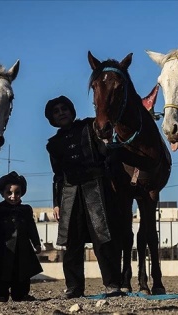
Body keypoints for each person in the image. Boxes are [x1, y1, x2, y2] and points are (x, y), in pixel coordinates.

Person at [45, 95, 121, 298]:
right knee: (72, 242)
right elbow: (57, 175)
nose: (61, 113)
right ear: (52, 118)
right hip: (69, 194)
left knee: (103, 238)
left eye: (64, 109)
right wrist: (56, 203)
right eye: (56, 111)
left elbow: (107, 153)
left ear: (71, 111)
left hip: (95, 188)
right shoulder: (53, 144)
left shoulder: (89, 126)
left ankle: (113, 284)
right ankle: (74, 288)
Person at [0, 171, 43, 302]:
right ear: (2, 193)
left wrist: (36, 243)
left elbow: (31, 228)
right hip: (2, 248)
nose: (13, 196)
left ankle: (21, 294)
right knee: (0, 273)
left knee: (22, 273)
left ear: (22, 193)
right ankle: (0, 294)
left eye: (17, 193)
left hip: (23, 248)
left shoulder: (26, 210)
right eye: (9, 193)